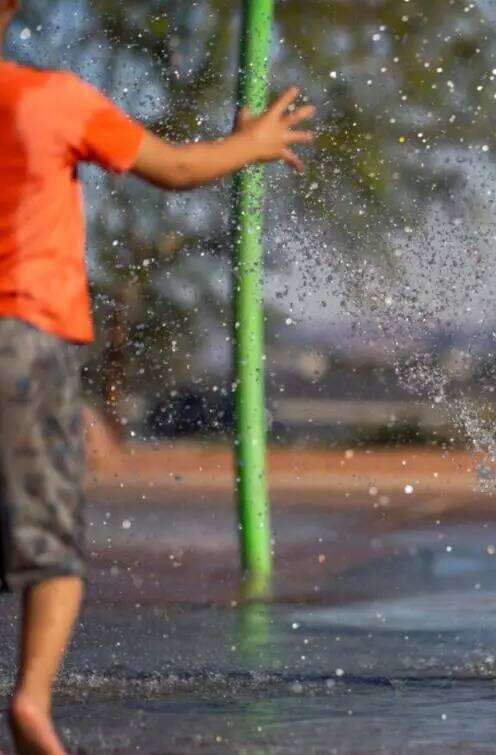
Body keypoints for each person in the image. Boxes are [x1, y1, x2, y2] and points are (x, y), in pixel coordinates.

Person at [0, 1, 315, 751]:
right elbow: (173, 169)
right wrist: (252, 142)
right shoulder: (50, 99)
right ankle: (33, 703)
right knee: (48, 546)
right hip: (22, 336)